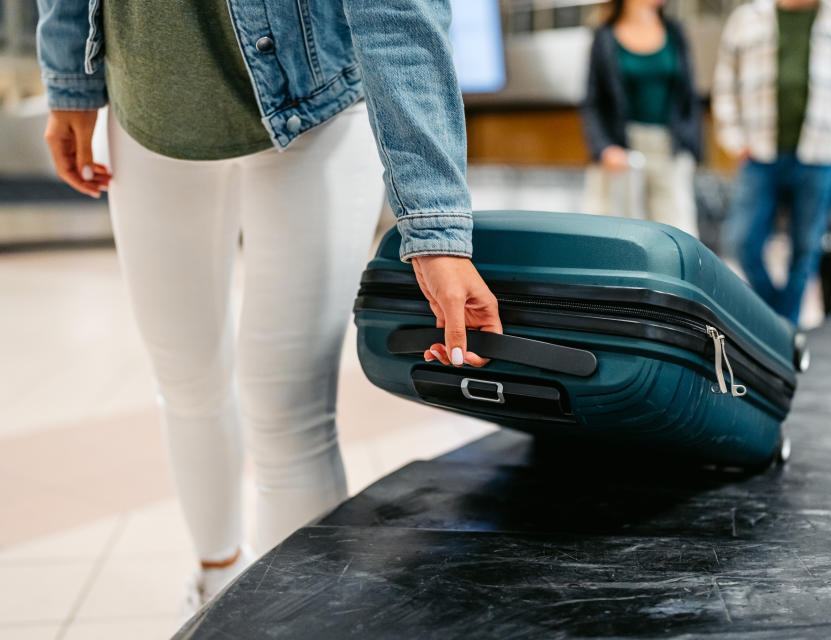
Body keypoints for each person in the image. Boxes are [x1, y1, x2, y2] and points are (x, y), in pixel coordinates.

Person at [36, 0, 501, 614]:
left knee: (289, 409)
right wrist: (68, 77)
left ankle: (296, 621)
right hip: (148, 106)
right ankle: (215, 586)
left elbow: (399, 11)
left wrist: (435, 226)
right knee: (186, 382)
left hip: (318, 102)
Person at [713, 0, 831, 324]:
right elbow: (724, 83)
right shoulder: (746, 18)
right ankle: (777, 321)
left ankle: (785, 329)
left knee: (807, 251)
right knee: (741, 242)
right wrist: (734, 139)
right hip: (760, 151)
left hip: (822, 152)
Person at [582, 0, 702, 236]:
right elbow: (592, 102)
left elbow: (688, 96)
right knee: (617, 235)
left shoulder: (674, 32)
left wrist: (689, 146)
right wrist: (604, 148)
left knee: (677, 232)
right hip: (622, 150)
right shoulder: (605, 36)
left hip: (668, 148)